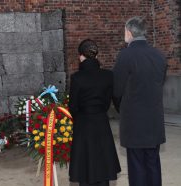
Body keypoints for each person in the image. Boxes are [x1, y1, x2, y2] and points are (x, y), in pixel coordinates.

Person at [113, 16, 167, 186]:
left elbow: (116, 90)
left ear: (129, 32)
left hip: (134, 120)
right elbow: (160, 83)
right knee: (153, 163)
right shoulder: (159, 55)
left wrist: (122, 109)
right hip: (154, 119)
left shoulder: (125, 55)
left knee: (136, 166)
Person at [69, 39, 121, 186]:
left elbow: (73, 106)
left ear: (81, 56)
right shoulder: (108, 75)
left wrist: (80, 117)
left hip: (83, 124)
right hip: (101, 122)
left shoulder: (77, 78)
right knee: (103, 164)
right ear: (96, 55)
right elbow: (108, 101)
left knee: (84, 166)